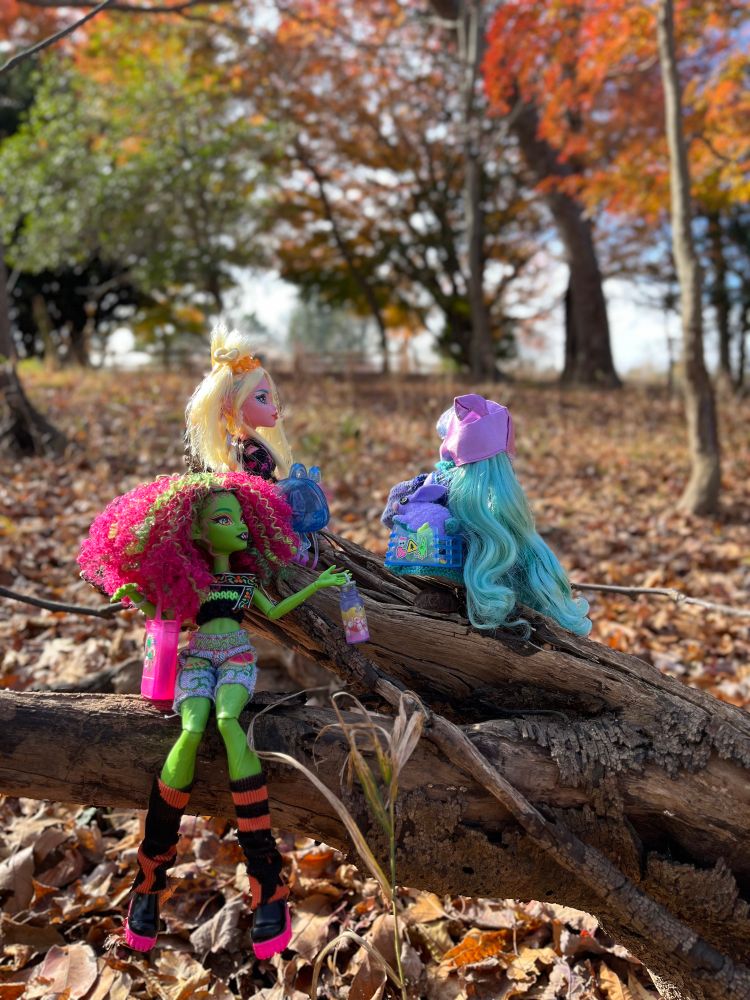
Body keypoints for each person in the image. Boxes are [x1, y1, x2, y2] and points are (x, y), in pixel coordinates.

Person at [78, 471, 348, 958]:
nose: (239, 526)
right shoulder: (196, 583)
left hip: (238, 659)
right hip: (198, 659)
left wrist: (322, 583)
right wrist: (134, 595)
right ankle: (149, 880)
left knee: (226, 722)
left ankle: (268, 883)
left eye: (242, 518)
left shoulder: (245, 581)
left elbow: (278, 606)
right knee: (191, 726)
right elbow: (169, 617)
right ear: (199, 532)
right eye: (225, 519)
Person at [383, 394, 591, 637]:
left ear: (450, 445)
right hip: (487, 601)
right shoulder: (508, 504)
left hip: (441, 579)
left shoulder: (435, 484)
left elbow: (390, 515)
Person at [186, 322, 292, 481]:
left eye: (271, 399)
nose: (273, 407)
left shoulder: (243, 448)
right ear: (232, 404)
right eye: (262, 398)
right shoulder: (254, 453)